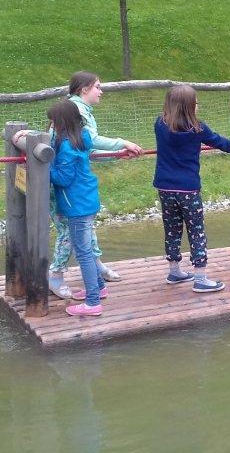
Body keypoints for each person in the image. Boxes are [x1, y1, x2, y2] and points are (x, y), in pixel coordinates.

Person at [48, 71, 144, 300]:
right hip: (67, 191)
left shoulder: (80, 112)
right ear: (84, 89)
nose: (101, 91)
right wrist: (122, 143)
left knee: (83, 231)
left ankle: (96, 274)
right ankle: (57, 275)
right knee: (68, 233)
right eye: (98, 87)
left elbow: (86, 151)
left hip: (76, 190)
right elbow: (89, 144)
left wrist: (117, 154)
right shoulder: (74, 111)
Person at [153, 85, 230, 293]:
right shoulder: (198, 129)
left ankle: (174, 271)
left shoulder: (159, 124)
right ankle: (200, 278)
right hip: (188, 189)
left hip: (165, 187)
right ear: (190, 107)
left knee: (172, 229)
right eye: (196, 103)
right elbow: (219, 142)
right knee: (196, 231)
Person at [48, 99, 107, 317]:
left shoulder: (66, 147)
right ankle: (99, 288)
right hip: (87, 199)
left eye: (53, 122)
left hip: (77, 206)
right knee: (87, 248)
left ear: (61, 123)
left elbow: (63, 178)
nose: (51, 126)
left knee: (83, 253)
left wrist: (44, 166)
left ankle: (93, 302)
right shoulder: (82, 136)